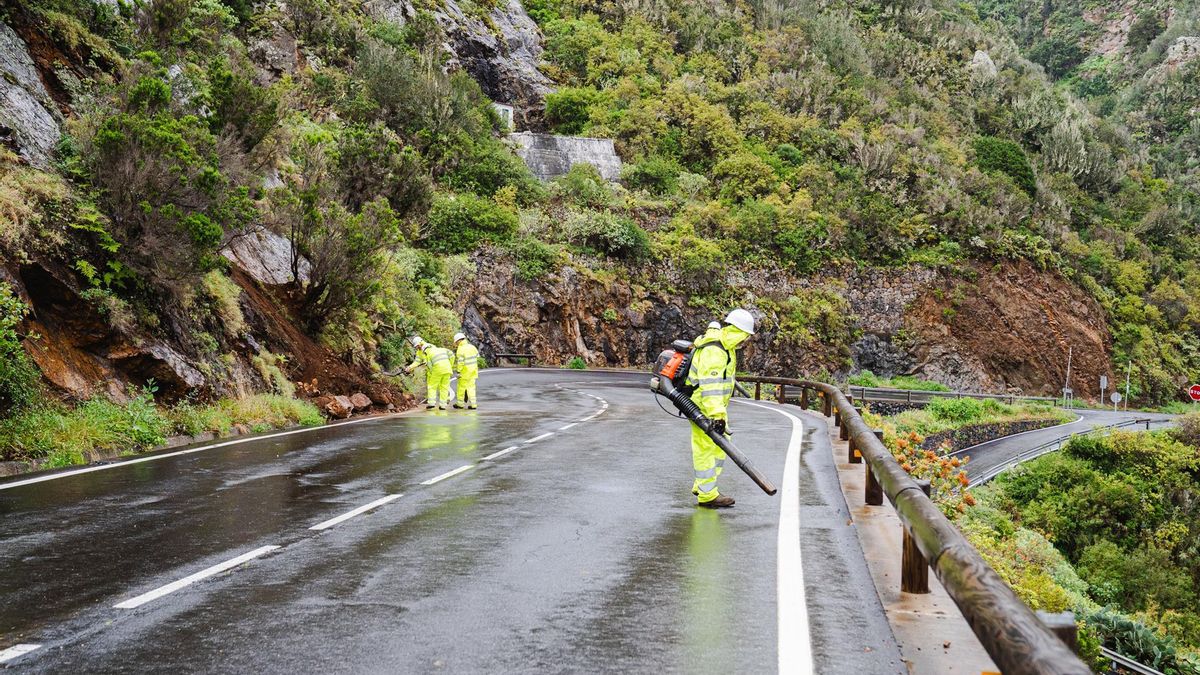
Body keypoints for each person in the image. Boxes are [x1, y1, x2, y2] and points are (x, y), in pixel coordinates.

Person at [685, 308, 755, 508]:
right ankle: (707, 495)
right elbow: (711, 387)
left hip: (710, 408)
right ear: (738, 331)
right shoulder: (715, 351)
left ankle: (704, 486)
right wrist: (717, 416)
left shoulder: (726, 347)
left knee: (720, 444)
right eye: (745, 336)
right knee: (706, 448)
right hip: (702, 407)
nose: (746, 341)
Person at [404, 337, 454, 410]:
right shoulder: (426, 349)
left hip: (437, 369)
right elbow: (417, 362)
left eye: (417, 346)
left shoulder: (427, 350)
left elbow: (429, 362)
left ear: (421, 343)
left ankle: (431, 403)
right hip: (447, 369)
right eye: (416, 346)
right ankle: (443, 405)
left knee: (432, 386)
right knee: (444, 387)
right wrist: (409, 367)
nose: (417, 347)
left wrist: (431, 371)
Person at [452, 332, 480, 410]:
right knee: (471, 388)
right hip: (473, 371)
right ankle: (473, 404)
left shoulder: (460, 349)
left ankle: (460, 404)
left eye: (456, 342)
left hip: (464, 372)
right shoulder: (472, 347)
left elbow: (460, 362)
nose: (456, 344)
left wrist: (458, 371)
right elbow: (477, 357)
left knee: (461, 388)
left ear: (458, 341)